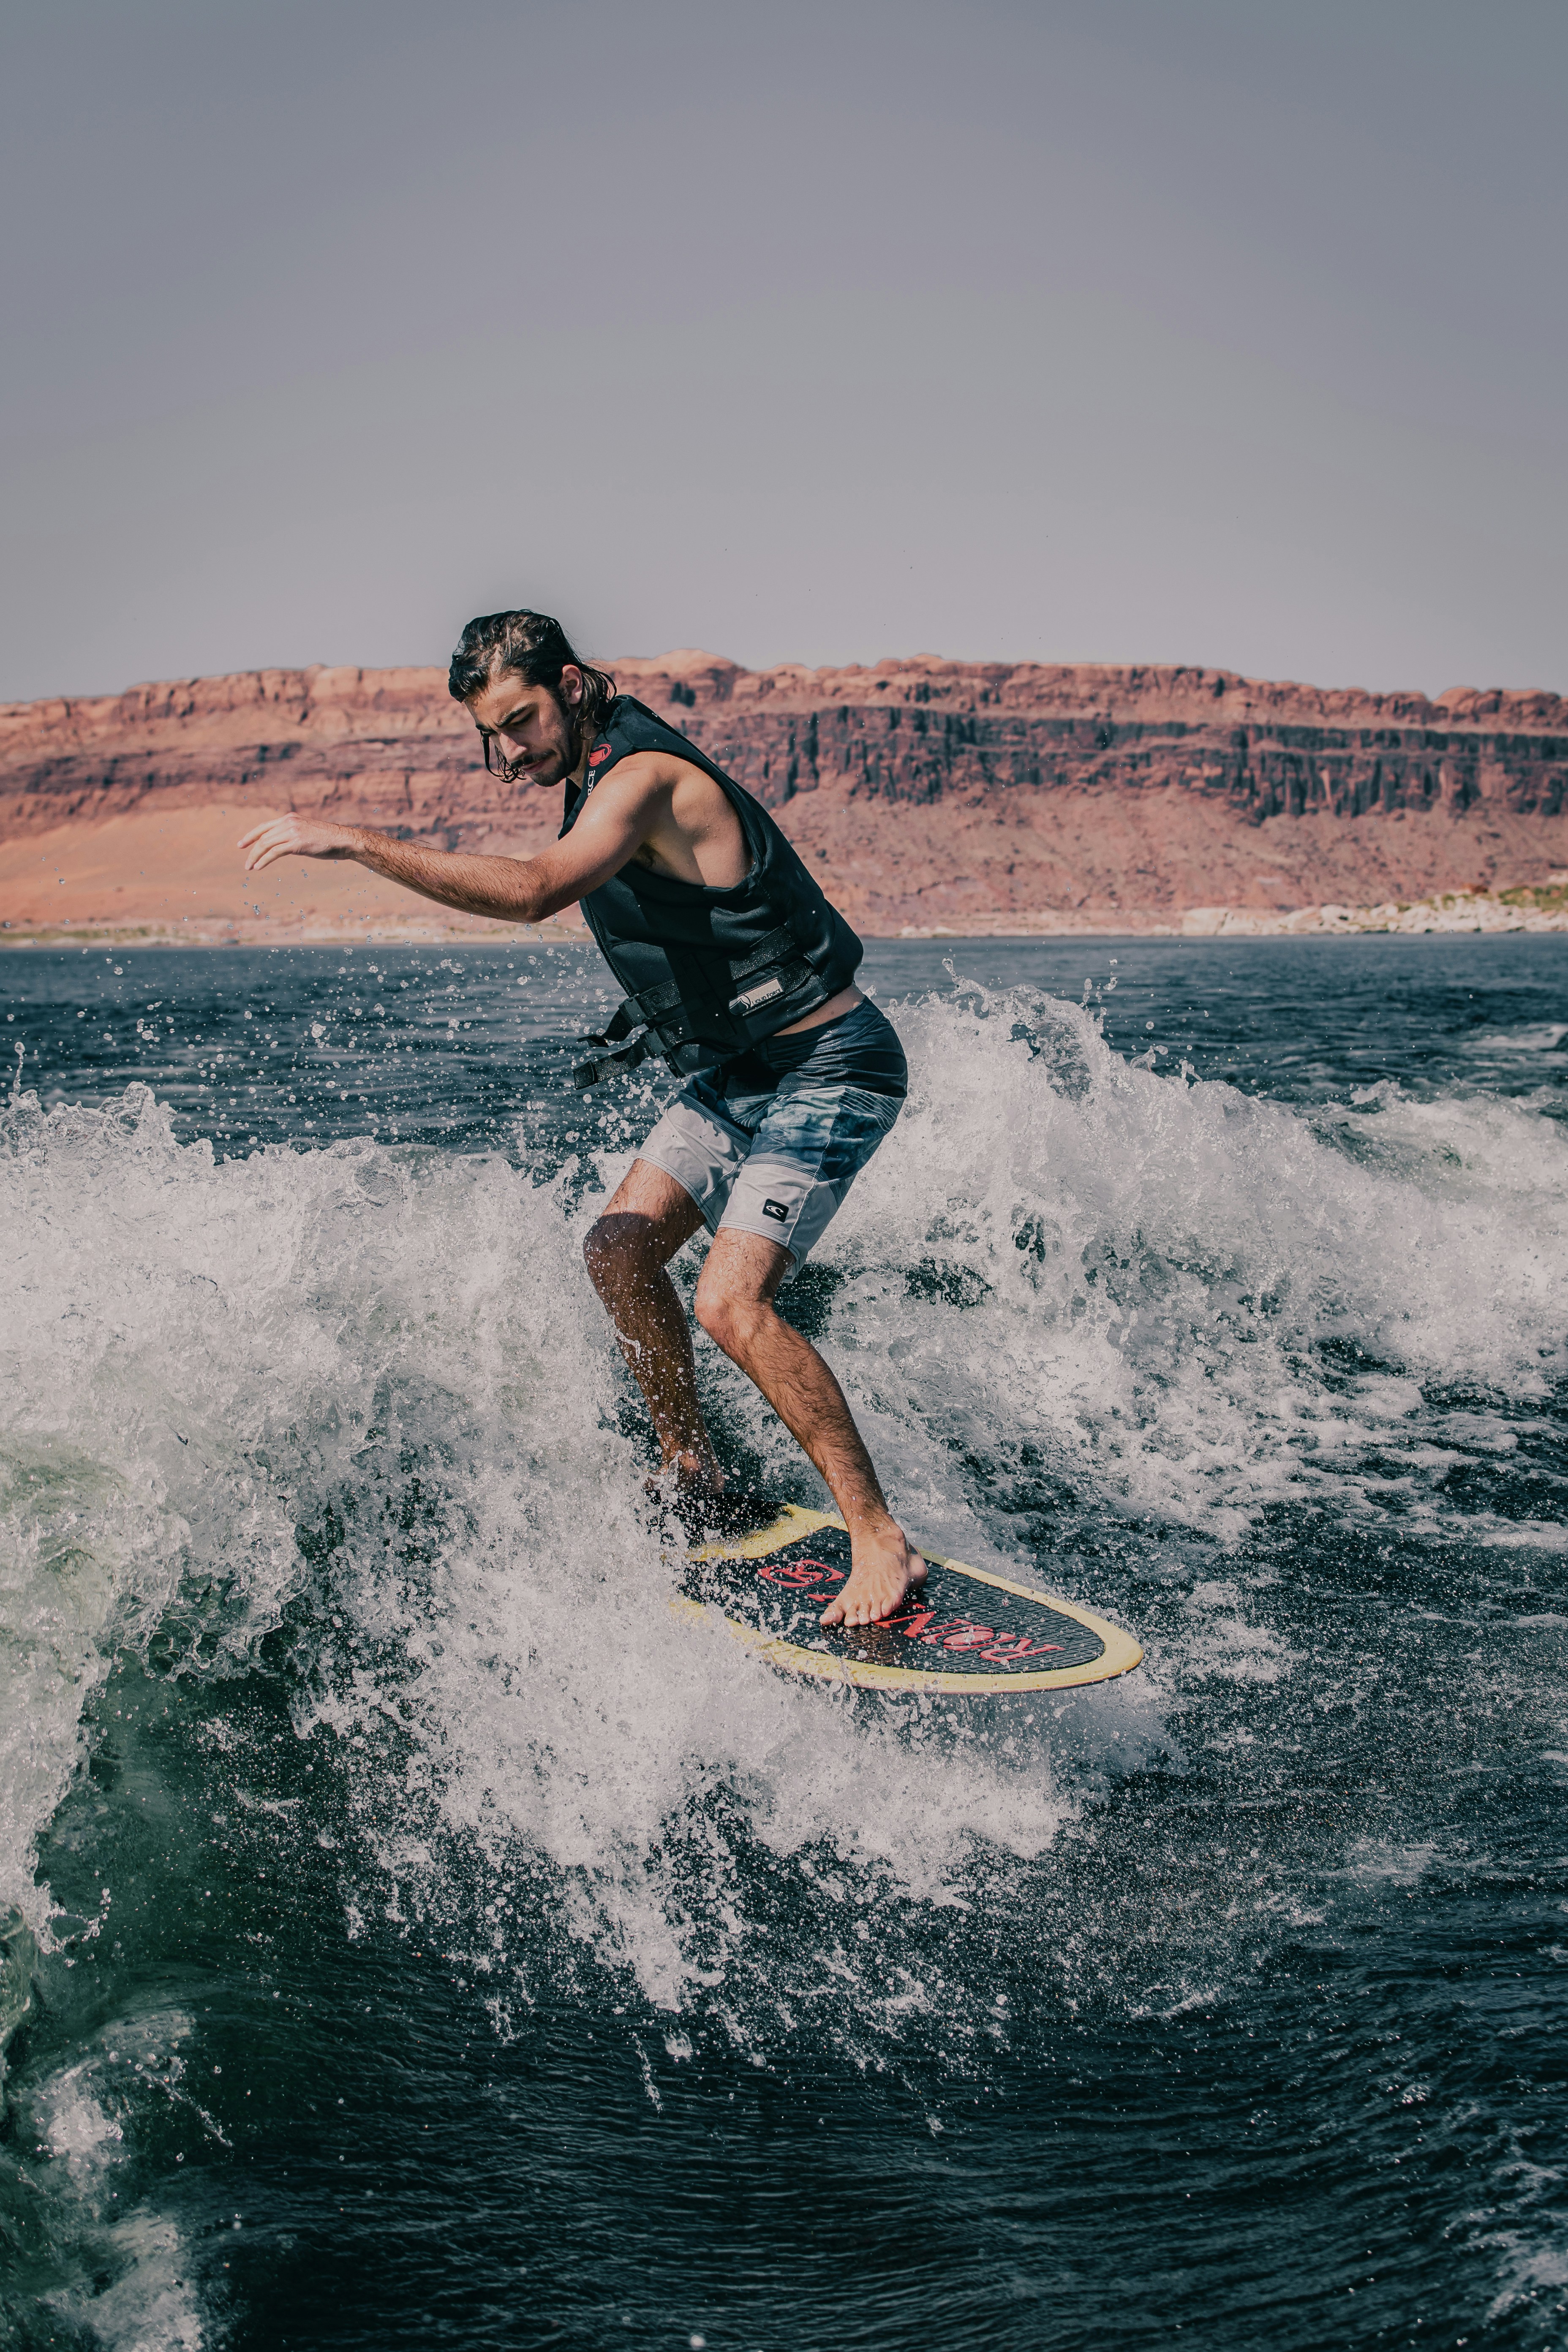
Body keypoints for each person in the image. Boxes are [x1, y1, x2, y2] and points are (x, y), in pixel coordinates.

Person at [239, 609, 925, 1628]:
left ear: (568, 684)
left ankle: (879, 1539)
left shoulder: (642, 776)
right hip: (741, 1073)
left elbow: (533, 894)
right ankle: (689, 1466)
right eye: (493, 735)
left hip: (828, 1064)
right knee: (616, 1249)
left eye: (520, 722)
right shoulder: (593, 778)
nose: (510, 750)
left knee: (730, 1306)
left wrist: (355, 842)